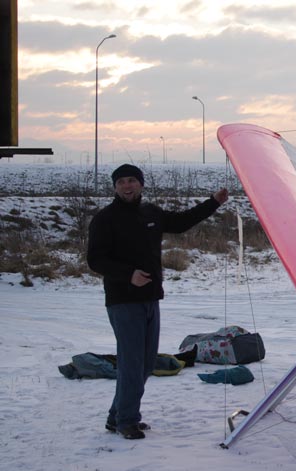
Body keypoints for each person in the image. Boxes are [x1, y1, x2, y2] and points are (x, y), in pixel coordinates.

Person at [87, 163, 228, 439]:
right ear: (115, 187)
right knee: (132, 362)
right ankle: (127, 420)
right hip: (123, 300)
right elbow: (95, 260)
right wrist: (129, 275)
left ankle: (117, 416)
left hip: (151, 298)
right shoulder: (105, 219)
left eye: (131, 180)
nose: (127, 186)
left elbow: (182, 222)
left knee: (146, 362)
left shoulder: (150, 212)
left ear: (140, 184)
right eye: (121, 182)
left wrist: (213, 202)